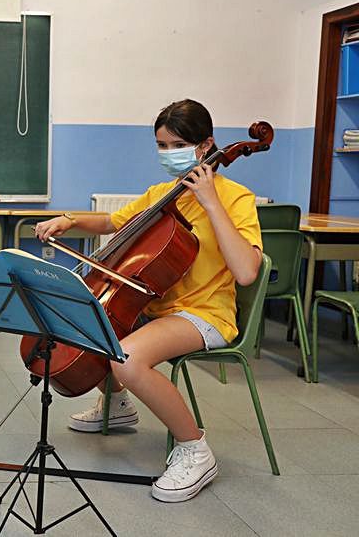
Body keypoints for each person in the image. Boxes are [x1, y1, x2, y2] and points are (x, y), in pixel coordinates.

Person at [34, 99, 263, 503]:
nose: (167, 153)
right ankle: (118, 403)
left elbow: (246, 271)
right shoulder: (163, 193)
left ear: (206, 145)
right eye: (161, 145)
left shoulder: (236, 197)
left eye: (176, 145)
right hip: (156, 309)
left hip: (204, 314)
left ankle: (195, 449)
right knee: (90, 323)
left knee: (128, 356)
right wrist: (68, 221)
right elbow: (112, 222)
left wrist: (211, 202)